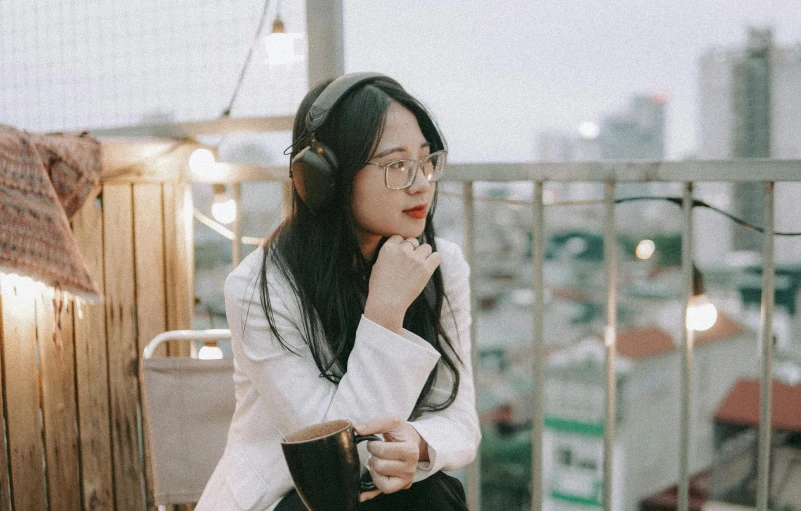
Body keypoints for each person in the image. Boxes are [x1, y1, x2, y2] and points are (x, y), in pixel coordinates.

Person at [196, 73, 480, 511]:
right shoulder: (258, 289)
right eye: (396, 166)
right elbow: (336, 459)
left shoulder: (443, 264)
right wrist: (384, 313)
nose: (422, 182)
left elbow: (460, 418)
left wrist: (417, 445)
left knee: (432, 494)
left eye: (426, 160)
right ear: (326, 178)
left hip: (393, 496)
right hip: (285, 497)